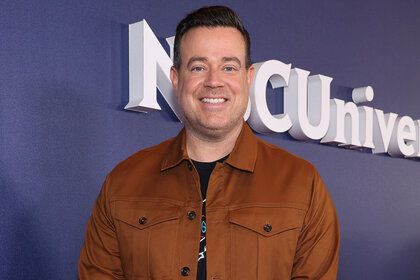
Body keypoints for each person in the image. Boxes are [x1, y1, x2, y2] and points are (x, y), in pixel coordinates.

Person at [78, 5, 340, 280]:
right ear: (176, 80)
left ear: (248, 78)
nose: (214, 82)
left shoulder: (302, 185)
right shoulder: (122, 184)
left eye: (228, 67)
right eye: (199, 67)